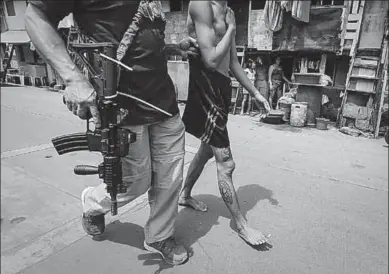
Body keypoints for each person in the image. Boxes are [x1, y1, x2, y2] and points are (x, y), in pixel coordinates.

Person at [25, 0, 199, 266]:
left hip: (164, 102)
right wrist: (73, 78)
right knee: (133, 183)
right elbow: (35, 15)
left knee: (171, 176)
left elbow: (136, 39)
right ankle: (92, 202)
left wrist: (172, 48)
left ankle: (158, 236)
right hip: (121, 105)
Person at [180, 1, 271, 246]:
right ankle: (241, 225)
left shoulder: (228, 11)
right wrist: (231, 29)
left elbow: (232, 63)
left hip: (221, 89)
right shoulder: (202, 5)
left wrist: (256, 93)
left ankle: (185, 195)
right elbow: (209, 61)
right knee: (226, 163)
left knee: (206, 150)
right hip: (205, 87)